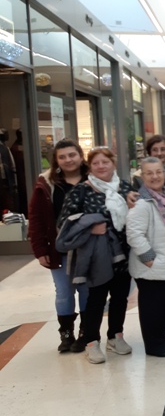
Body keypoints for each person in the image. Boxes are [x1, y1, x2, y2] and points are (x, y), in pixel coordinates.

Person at [56, 147, 134, 364]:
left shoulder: (125, 188)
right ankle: (91, 341)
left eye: (105, 162)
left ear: (113, 164)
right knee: (96, 299)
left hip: (124, 252)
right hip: (97, 256)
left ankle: (115, 336)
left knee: (120, 297)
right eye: (96, 163)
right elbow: (64, 223)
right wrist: (89, 228)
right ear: (90, 167)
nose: (101, 166)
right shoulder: (82, 190)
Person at [28, 139, 89, 352]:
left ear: (80, 156)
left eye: (72, 155)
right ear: (56, 160)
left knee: (86, 291)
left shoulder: (94, 179)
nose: (68, 160)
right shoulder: (46, 184)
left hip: (89, 248)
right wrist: (40, 250)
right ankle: (66, 333)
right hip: (59, 249)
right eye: (62, 157)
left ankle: (86, 332)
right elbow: (35, 218)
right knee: (63, 292)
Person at [126, 157, 165, 357]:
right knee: (153, 309)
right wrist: (150, 259)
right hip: (152, 266)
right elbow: (134, 234)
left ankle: (161, 340)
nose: (155, 176)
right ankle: (153, 345)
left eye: (158, 172)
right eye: (149, 173)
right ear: (142, 176)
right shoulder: (142, 203)